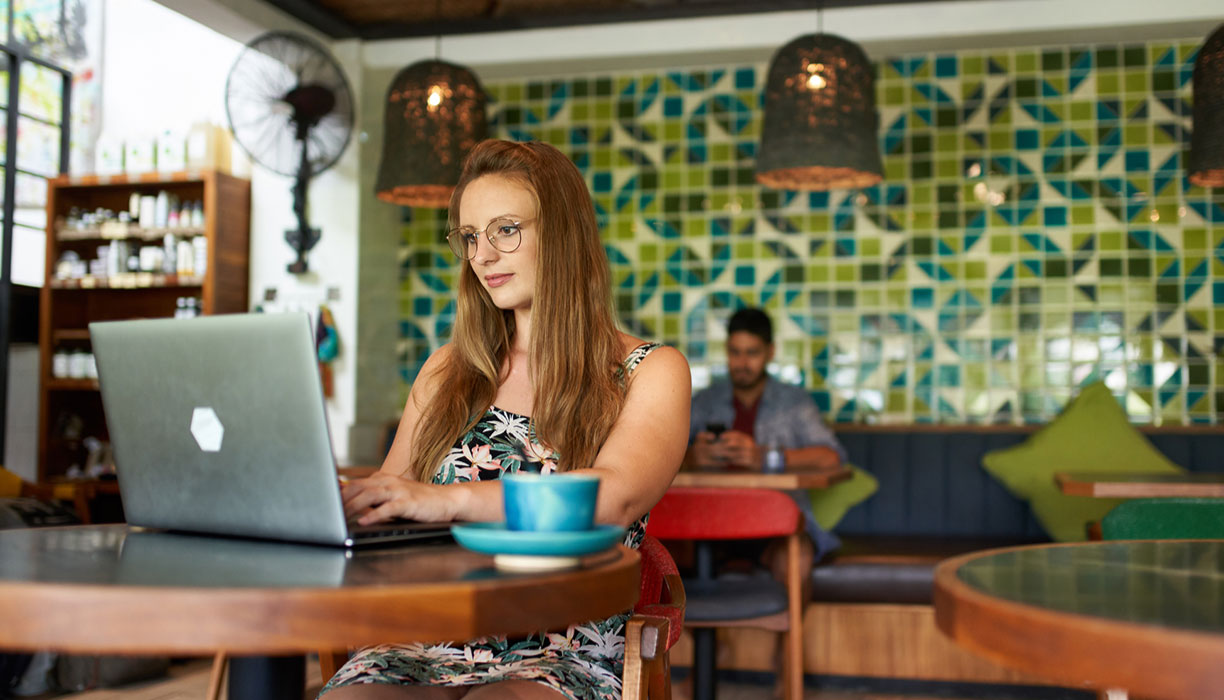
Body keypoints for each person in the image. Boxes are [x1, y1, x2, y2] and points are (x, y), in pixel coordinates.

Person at [322, 140, 691, 700]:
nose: (482, 256)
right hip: (419, 637)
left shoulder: (650, 371)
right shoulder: (448, 368)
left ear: (563, 234)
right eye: (470, 236)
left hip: (561, 647)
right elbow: (388, 505)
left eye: (506, 230)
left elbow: (612, 498)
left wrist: (450, 499)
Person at [684, 307, 846, 591]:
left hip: (776, 525)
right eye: (735, 352)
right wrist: (691, 458)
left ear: (770, 352)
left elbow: (832, 458)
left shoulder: (794, 401)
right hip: (706, 524)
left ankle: (789, 638)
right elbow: (663, 457)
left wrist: (767, 458)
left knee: (797, 558)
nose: (742, 362)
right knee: (650, 552)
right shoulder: (705, 401)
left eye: (752, 353)